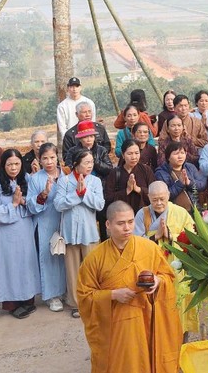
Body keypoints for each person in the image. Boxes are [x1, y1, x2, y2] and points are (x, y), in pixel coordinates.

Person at [78, 201, 181, 373]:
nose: (127, 228)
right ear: (108, 225)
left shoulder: (148, 248)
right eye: (121, 223)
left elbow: (168, 276)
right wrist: (111, 295)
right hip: (117, 326)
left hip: (147, 318)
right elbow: (84, 295)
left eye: (131, 222)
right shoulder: (94, 258)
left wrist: (158, 282)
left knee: (147, 360)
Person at [135, 181, 198, 337]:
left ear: (169, 196)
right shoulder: (142, 214)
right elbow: (134, 243)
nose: (159, 203)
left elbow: (193, 239)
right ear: (148, 197)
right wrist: (155, 237)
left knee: (179, 304)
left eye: (162, 199)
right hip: (151, 268)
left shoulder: (181, 212)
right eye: (154, 199)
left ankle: (182, 338)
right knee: (156, 306)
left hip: (177, 269)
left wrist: (171, 236)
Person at [0, 149, 40, 319]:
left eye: (17, 163)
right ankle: (12, 304)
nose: (14, 167)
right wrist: (13, 204)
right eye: (9, 164)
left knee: (26, 263)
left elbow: (35, 204)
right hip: (7, 232)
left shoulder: (28, 179)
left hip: (25, 228)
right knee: (11, 266)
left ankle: (27, 300)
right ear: (3, 165)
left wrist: (24, 201)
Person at [55, 149, 105, 318]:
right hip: (69, 232)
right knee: (72, 269)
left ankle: (95, 301)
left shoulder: (95, 181)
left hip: (89, 231)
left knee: (92, 268)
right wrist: (76, 194)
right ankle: (76, 304)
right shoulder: (64, 181)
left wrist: (84, 193)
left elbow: (99, 205)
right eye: (86, 163)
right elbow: (58, 204)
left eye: (91, 162)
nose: (90, 166)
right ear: (76, 164)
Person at [27, 142, 68, 312]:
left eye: (52, 157)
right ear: (39, 159)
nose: (49, 161)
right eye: (45, 158)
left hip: (65, 220)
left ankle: (66, 290)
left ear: (58, 157)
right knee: (49, 257)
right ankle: (52, 295)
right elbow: (30, 205)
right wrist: (44, 193)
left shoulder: (66, 175)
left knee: (66, 257)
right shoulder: (35, 178)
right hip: (46, 221)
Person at [104, 139, 152, 213]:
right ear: (123, 155)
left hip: (143, 216)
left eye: (137, 153)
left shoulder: (146, 170)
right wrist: (127, 191)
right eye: (130, 154)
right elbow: (108, 198)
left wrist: (138, 189)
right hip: (121, 214)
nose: (134, 157)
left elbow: (154, 193)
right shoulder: (115, 173)